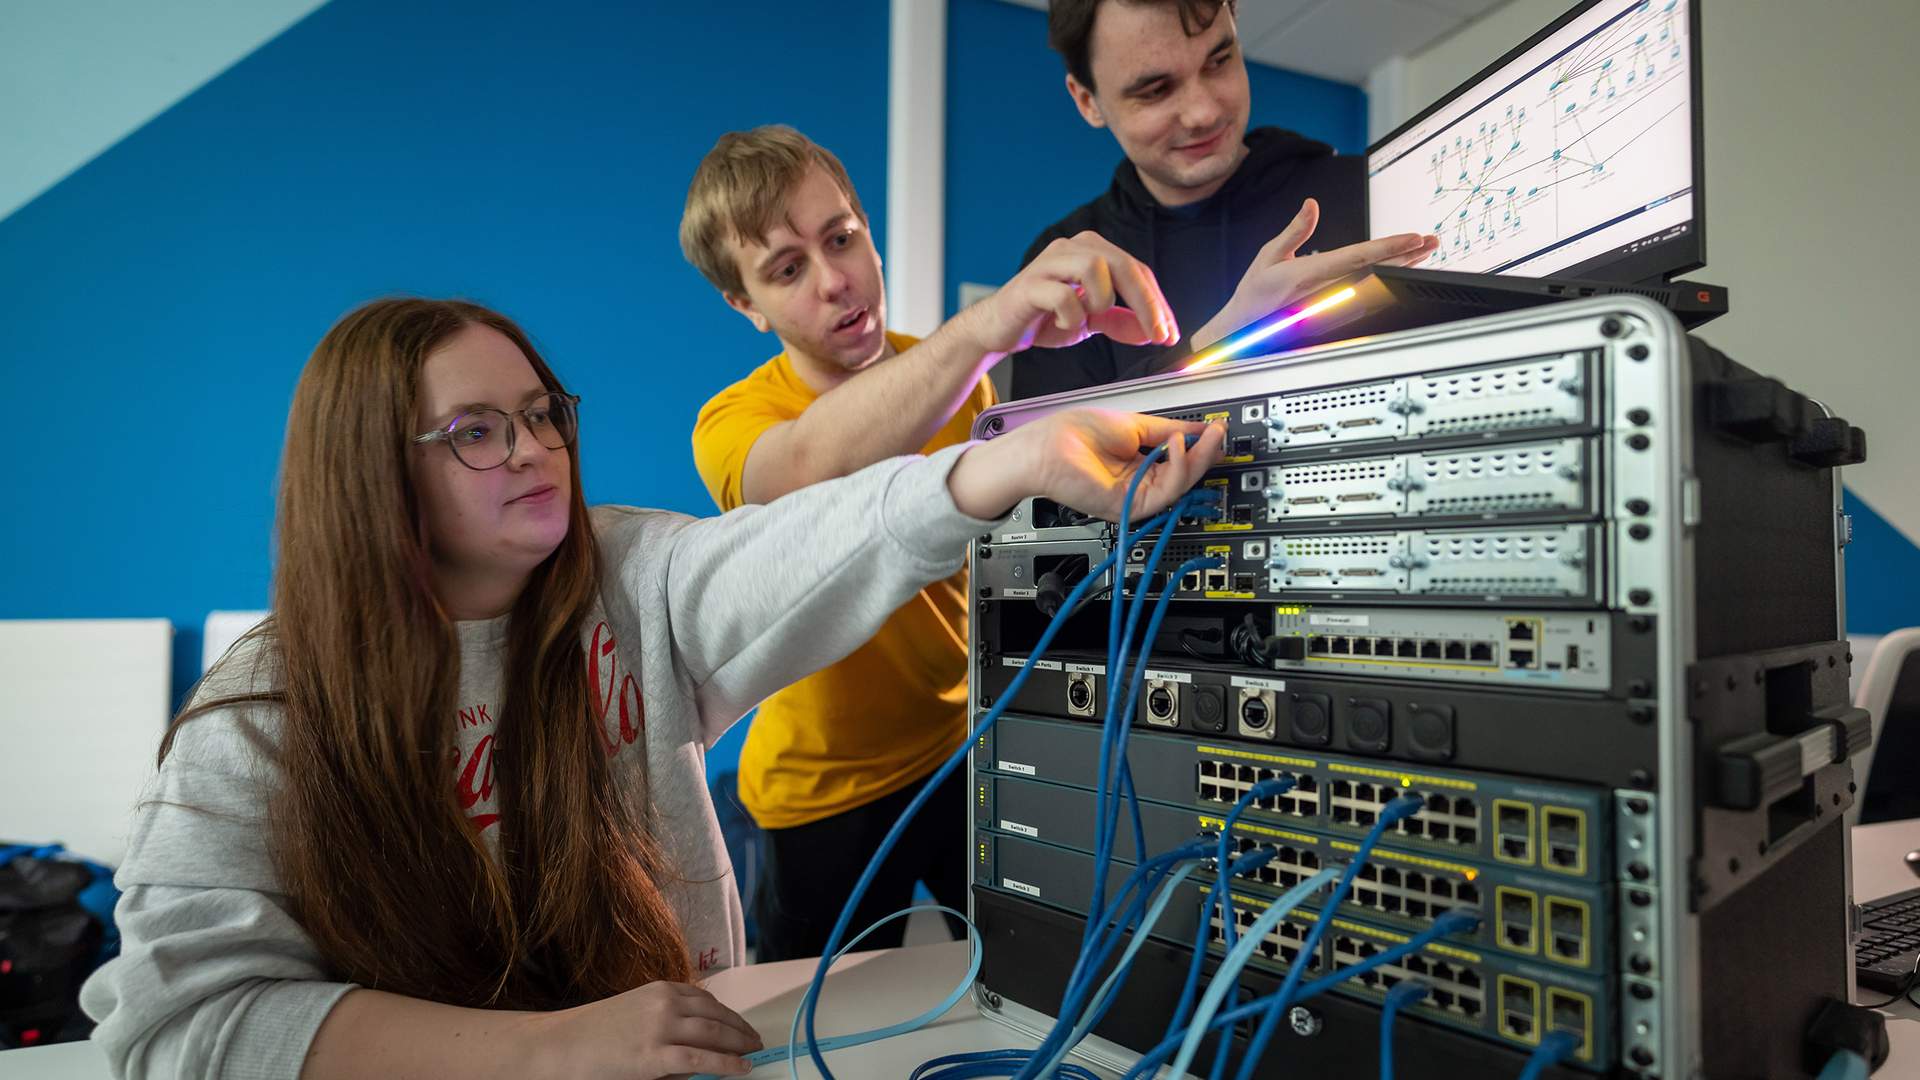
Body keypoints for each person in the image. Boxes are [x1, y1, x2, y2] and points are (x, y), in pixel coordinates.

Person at [77, 296, 1222, 1079]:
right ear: (370, 474)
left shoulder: (630, 579)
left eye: (539, 415)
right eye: (476, 431)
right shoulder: (262, 712)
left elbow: (802, 542)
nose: (533, 451)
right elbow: (180, 1021)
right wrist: (558, 1050)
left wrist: (996, 470)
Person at [682, 125, 1181, 960]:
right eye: (787, 268)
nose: (838, 280)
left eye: (843, 238)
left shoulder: (959, 380)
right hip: (819, 797)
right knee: (815, 1024)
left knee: (1024, 978)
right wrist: (987, 323)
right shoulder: (732, 423)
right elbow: (804, 469)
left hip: (961, 752)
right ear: (746, 304)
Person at [1009, 0, 1438, 399]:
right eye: (1156, 90)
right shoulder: (1065, 266)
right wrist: (1228, 336)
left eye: (1219, 61)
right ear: (1088, 102)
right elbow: (1050, 463)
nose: (1204, 113)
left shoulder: (1366, 188)